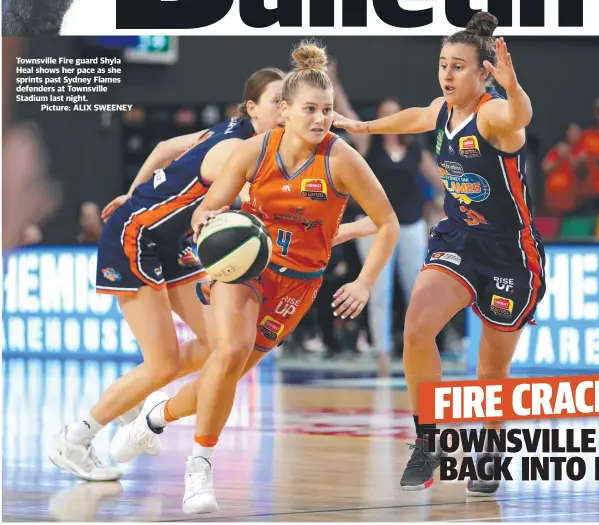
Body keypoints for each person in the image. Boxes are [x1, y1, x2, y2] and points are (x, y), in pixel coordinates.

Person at [108, 39, 399, 515]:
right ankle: (200, 466)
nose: (321, 119)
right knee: (229, 353)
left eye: (327, 110)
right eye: (310, 109)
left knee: (224, 377)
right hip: (246, 267)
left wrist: (364, 282)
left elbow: (387, 222)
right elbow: (211, 204)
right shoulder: (250, 150)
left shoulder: (341, 158)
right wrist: (205, 224)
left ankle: (155, 418)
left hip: (299, 285)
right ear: (283, 110)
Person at [333, 12, 546, 496]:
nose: (447, 75)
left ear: (483, 72)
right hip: (459, 239)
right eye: (443, 65)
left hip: (510, 252)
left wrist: (514, 90)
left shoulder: (494, 113)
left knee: (491, 369)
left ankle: (491, 445)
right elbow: (416, 117)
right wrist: (359, 123)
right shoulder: (444, 108)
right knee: (416, 326)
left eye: (458, 67)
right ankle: (428, 440)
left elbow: (521, 117)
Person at [47, 67, 288, 482]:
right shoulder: (236, 149)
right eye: (276, 102)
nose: (284, 110)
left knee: (221, 345)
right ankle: (74, 439)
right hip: (135, 236)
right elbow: (253, 204)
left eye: (288, 102)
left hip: (169, 241)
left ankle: (130, 398)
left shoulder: (229, 132)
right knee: (162, 364)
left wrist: (133, 189)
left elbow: (161, 147)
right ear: (253, 108)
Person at [330, 62, 443, 375]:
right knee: (378, 292)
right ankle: (382, 353)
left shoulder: (415, 150)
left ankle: (418, 349)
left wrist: (444, 207)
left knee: (415, 291)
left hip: (411, 226)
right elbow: (348, 113)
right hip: (375, 226)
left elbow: (442, 183)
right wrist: (335, 82)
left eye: (395, 112)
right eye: (385, 113)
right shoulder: (370, 145)